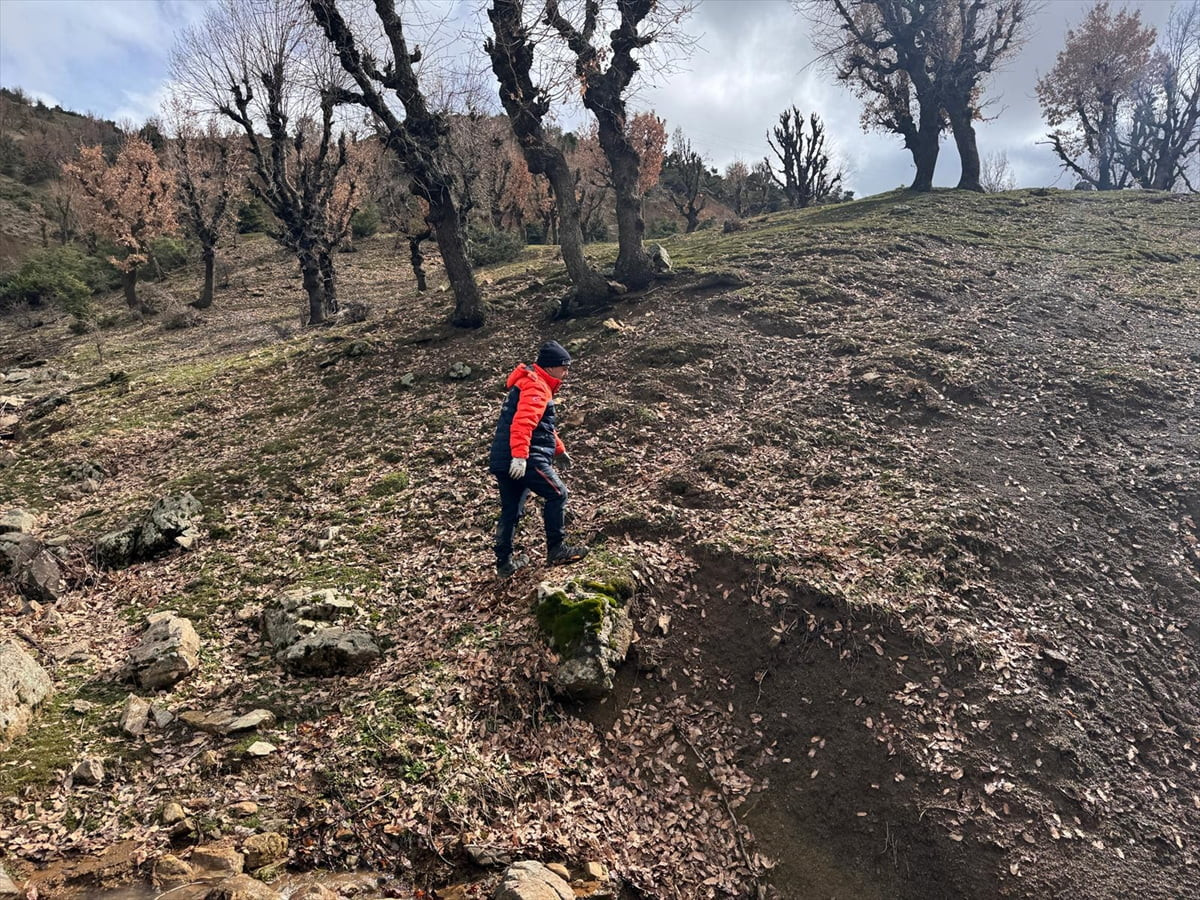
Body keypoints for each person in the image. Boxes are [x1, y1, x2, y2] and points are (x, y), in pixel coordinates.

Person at [489, 340, 589, 577]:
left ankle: (504, 563)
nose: (566, 373)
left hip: (506, 458)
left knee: (511, 510)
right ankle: (557, 548)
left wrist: (559, 449)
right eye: (564, 367)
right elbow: (523, 424)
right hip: (527, 457)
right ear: (551, 367)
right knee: (558, 494)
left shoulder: (530, 383)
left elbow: (543, 426)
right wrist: (521, 457)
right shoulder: (536, 387)